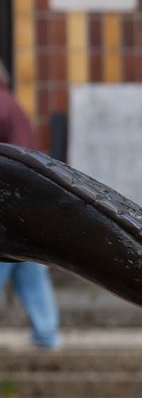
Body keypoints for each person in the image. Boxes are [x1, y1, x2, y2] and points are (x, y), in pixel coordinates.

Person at [0, 60, 60, 348]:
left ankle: (47, 333)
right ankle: (46, 334)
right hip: (28, 203)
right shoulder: (11, 104)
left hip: (6, 205)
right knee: (30, 271)